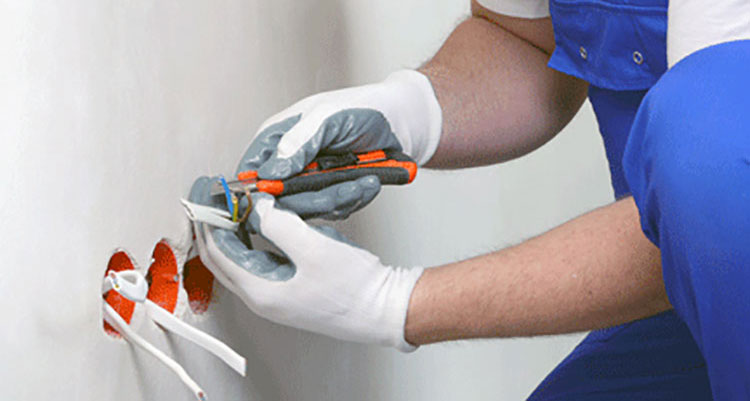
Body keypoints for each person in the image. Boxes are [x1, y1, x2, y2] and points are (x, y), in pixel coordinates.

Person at [188, 0, 750, 399]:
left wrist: (395, 303)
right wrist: (408, 111)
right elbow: (525, 35)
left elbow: (716, 208)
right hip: (691, 305)